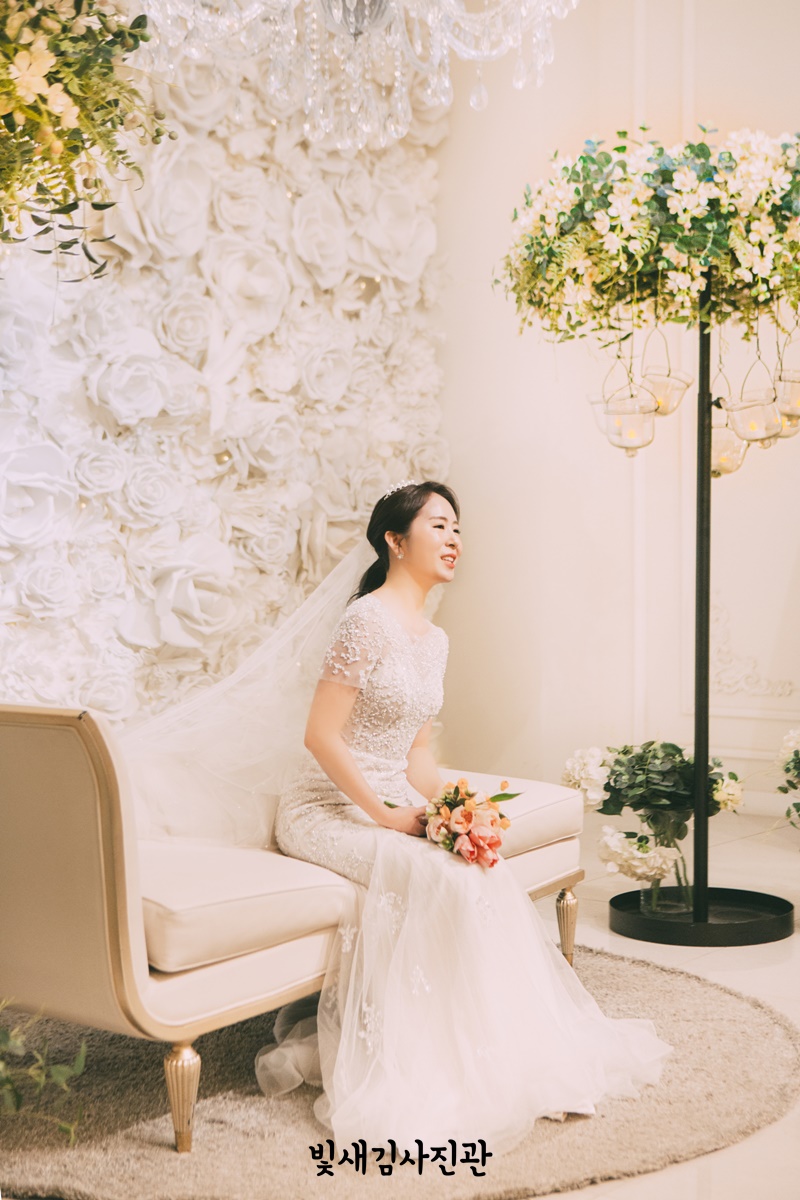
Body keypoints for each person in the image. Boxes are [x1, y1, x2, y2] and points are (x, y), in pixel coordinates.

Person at [254, 480, 671, 1157]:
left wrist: (458, 808)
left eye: (457, 528)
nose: (454, 540)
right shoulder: (364, 621)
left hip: (392, 796)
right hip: (326, 806)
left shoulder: (435, 639)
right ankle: (420, 1057)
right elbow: (321, 737)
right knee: (438, 876)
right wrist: (388, 817)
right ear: (395, 540)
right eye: (439, 526)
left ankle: (507, 1049)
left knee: (482, 866)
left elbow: (416, 756)